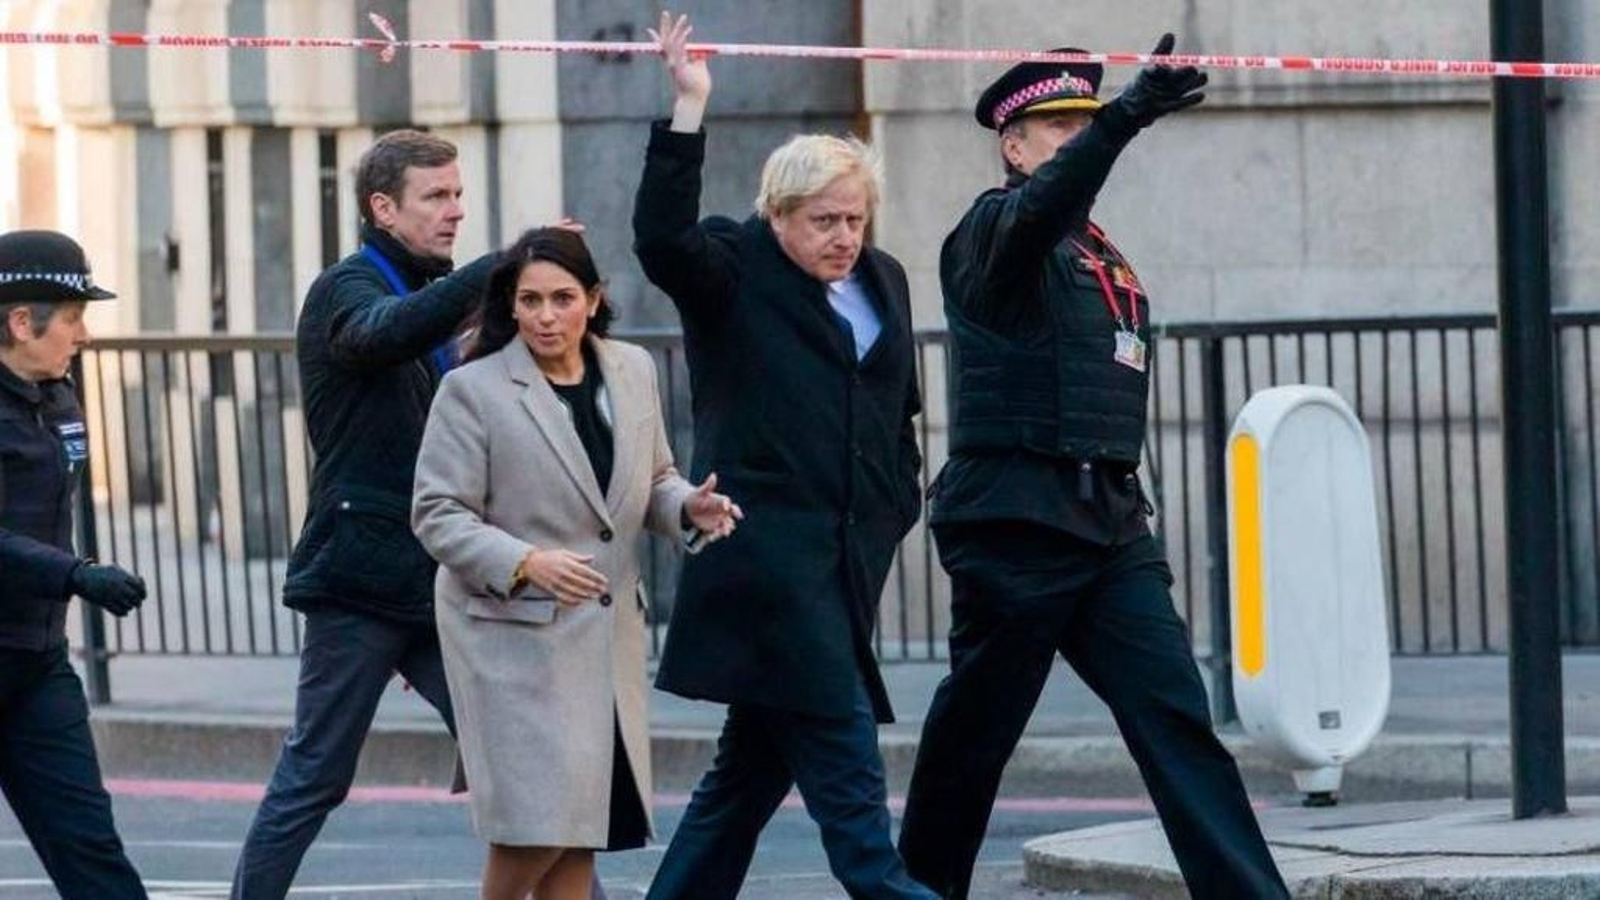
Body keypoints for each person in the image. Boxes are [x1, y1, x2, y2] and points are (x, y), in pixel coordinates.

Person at [896, 37, 1290, 899]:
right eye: (1058, 126)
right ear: (1014, 145)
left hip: (1109, 523)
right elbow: (1044, 209)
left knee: (1177, 724)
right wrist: (1126, 115)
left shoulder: (1097, 250)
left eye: (1083, 119)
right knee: (974, 741)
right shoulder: (992, 233)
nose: (1075, 137)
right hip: (1017, 524)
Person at [634, 14, 933, 900]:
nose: (844, 237)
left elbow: (896, 405)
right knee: (850, 784)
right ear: (777, 214)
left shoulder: (884, 279)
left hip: (845, 563)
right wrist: (688, 109)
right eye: (824, 221)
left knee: (742, 783)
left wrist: (897, 498)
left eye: (855, 218)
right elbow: (660, 240)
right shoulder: (733, 266)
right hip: (769, 570)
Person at [412, 227, 741, 900]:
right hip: (510, 641)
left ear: (594, 300)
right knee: (537, 827)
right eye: (529, 300)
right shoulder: (474, 390)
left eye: (562, 298)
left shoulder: (631, 370)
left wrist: (685, 509)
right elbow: (437, 513)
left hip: (602, 640)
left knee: (579, 828)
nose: (545, 316)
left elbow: (651, 480)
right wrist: (527, 562)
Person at [230, 129, 502, 899]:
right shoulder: (348, 289)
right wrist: (496, 270)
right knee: (316, 774)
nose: (455, 211)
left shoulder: (424, 293)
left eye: (458, 193)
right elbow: (380, 336)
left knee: (512, 759)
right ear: (384, 207)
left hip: (436, 575)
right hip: (359, 580)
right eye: (436, 197)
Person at [0, 229, 148, 899]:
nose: (83, 335)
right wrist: (75, 574)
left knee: (92, 853)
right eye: (72, 318)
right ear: (20, 321)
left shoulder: (57, 395)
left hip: (35, 665)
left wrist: (75, 571)